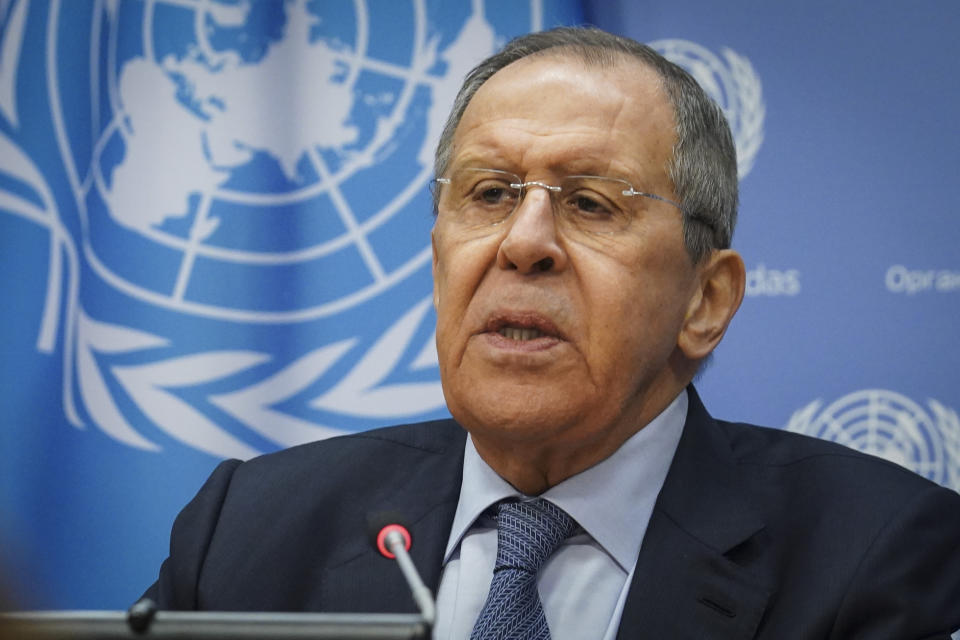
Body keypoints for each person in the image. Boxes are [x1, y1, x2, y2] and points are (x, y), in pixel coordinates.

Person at [143, 27, 960, 639]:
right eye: (491, 193)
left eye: (592, 203)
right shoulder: (247, 530)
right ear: (437, 256)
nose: (522, 243)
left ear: (706, 300)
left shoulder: (877, 555)